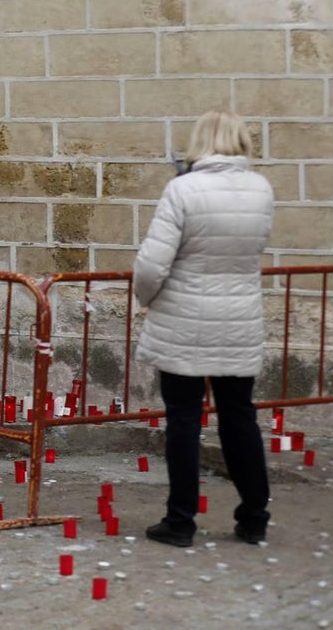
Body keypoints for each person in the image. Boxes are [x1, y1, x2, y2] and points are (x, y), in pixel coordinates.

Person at [134, 109, 274, 548]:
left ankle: (181, 521)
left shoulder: (183, 189)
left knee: (182, 419)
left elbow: (153, 264)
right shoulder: (261, 189)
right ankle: (254, 515)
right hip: (238, 318)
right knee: (239, 418)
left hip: (184, 319)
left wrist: (146, 298)